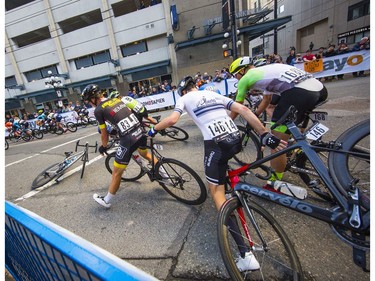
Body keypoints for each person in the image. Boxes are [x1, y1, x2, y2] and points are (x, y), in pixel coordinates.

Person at [147, 76, 286, 272]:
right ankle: (228, 184)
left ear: (184, 91)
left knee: (216, 192)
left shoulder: (185, 99)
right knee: (223, 168)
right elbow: (244, 110)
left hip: (216, 144)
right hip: (235, 137)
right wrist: (264, 134)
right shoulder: (213, 93)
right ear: (195, 86)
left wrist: (153, 130)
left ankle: (245, 253)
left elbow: (171, 120)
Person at [228, 56, 327, 190]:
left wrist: (228, 122)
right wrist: (255, 115)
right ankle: (298, 146)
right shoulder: (266, 72)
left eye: (235, 75)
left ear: (242, 71)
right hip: (319, 89)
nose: (236, 78)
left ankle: (275, 183)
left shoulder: (245, 79)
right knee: (287, 126)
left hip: (300, 93)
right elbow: (267, 100)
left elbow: (237, 106)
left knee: (276, 143)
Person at [80, 84, 163, 209]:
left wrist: (103, 146)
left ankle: (106, 200)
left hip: (128, 138)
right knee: (145, 154)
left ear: (93, 98)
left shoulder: (98, 110)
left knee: (116, 172)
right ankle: (166, 175)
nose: (89, 104)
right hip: (140, 131)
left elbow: (104, 133)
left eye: (88, 101)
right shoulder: (116, 100)